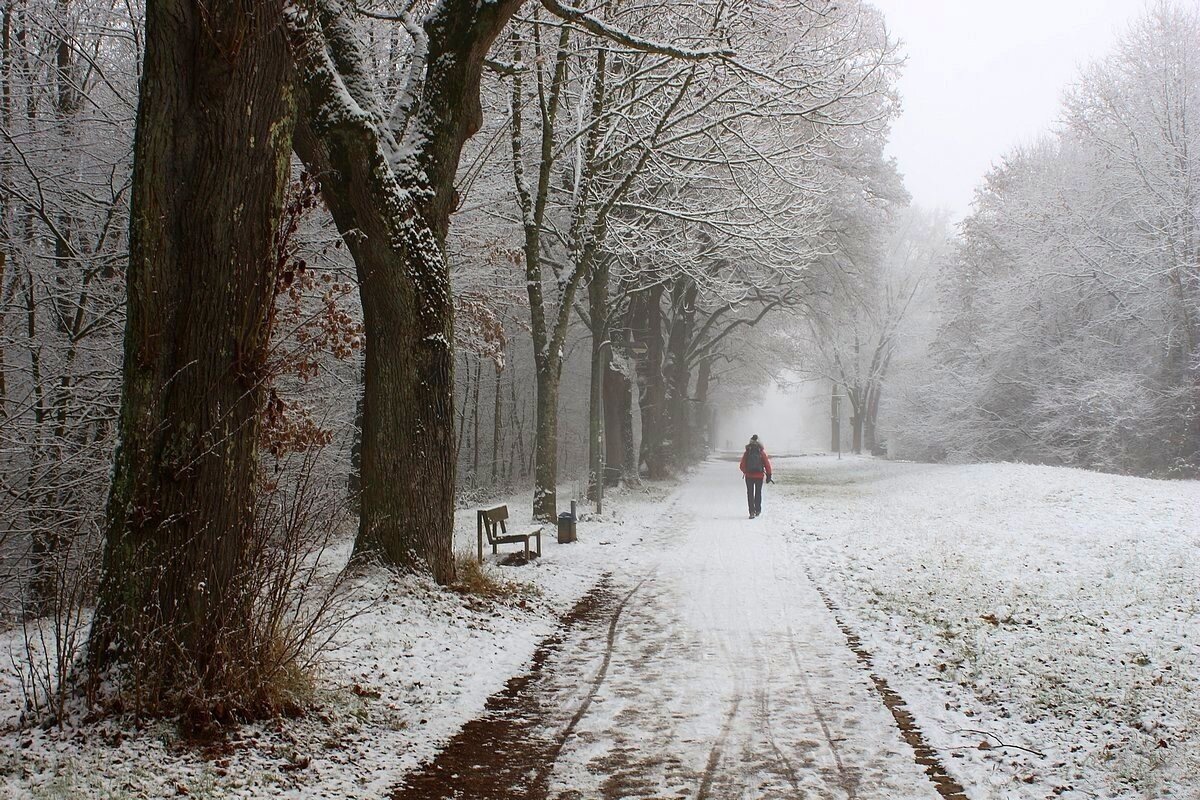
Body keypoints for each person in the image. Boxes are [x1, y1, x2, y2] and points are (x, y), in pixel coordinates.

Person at [739, 434, 773, 518]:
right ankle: (758, 510)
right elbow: (767, 464)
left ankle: (751, 511)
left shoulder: (747, 452)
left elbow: (741, 465)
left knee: (750, 493)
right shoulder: (761, 452)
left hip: (749, 476)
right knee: (758, 493)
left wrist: (746, 471)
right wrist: (769, 475)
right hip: (759, 476)